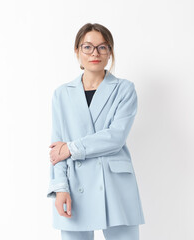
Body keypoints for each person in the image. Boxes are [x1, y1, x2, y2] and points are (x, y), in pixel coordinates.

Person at [47, 23, 145, 240]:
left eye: (102, 47)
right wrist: (60, 187)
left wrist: (71, 148)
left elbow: (115, 138)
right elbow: (57, 148)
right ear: (77, 51)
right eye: (88, 47)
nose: (95, 53)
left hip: (115, 184)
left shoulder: (124, 89)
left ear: (110, 52)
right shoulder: (62, 94)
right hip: (75, 184)